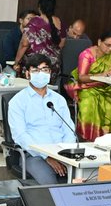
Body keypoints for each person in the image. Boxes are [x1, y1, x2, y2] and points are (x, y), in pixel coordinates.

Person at [8, 55, 77, 184]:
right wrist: (47, 156)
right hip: (34, 156)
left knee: (82, 179)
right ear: (27, 74)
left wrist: (66, 154)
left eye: (45, 70)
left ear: (50, 73)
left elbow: (69, 129)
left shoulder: (58, 100)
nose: (41, 74)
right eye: (36, 70)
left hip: (62, 152)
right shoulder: (18, 102)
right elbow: (20, 135)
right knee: (51, 186)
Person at [68, 32, 111, 140]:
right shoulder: (87, 55)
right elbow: (81, 78)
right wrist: (98, 75)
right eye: (108, 45)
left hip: (106, 87)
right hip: (86, 86)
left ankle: (109, 137)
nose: (110, 49)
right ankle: (88, 137)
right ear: (99, 42)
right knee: (90, 99)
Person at [14, 0, 63, 72]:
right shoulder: (59, 22)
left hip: (36, 65)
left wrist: (16, 62)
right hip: (53, 66)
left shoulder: (35, 22)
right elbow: (61, 44)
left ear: (39, 7)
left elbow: (24, 44)